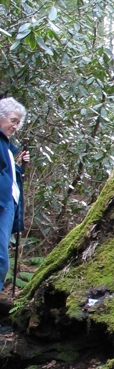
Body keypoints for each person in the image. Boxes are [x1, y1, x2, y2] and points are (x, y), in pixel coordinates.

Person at [0, 98, 29, 293]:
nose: (15, 126)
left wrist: (19, 166)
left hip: (8, 204)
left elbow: (8, 175)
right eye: (13, 120)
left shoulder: (6, 146)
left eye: (18, 122)